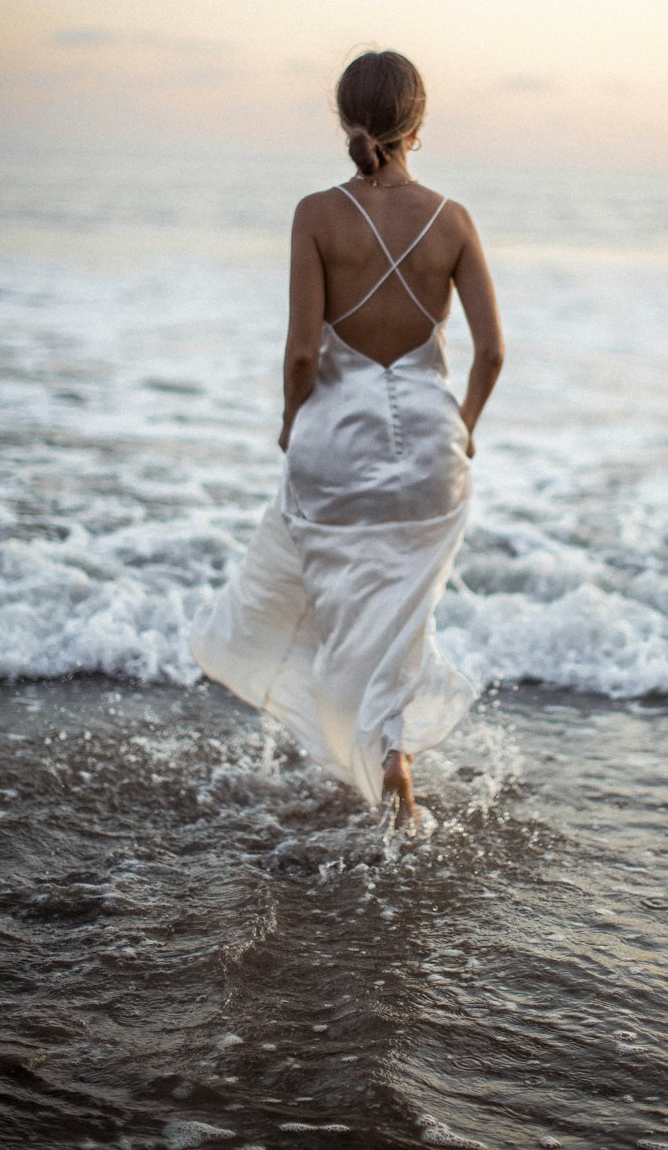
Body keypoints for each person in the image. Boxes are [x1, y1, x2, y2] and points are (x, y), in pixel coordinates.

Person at [191, 50, 504, 827]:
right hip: (432, 452)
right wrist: (461, 426)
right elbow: (493, 352)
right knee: (402, 610)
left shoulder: (316, 214)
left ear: (345, 122)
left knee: (336, 610)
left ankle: (361, 744)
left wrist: (293, 420)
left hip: (336, 443)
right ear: (419, 125)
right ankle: (392, 750)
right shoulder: (453, 220)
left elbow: (302, 352)